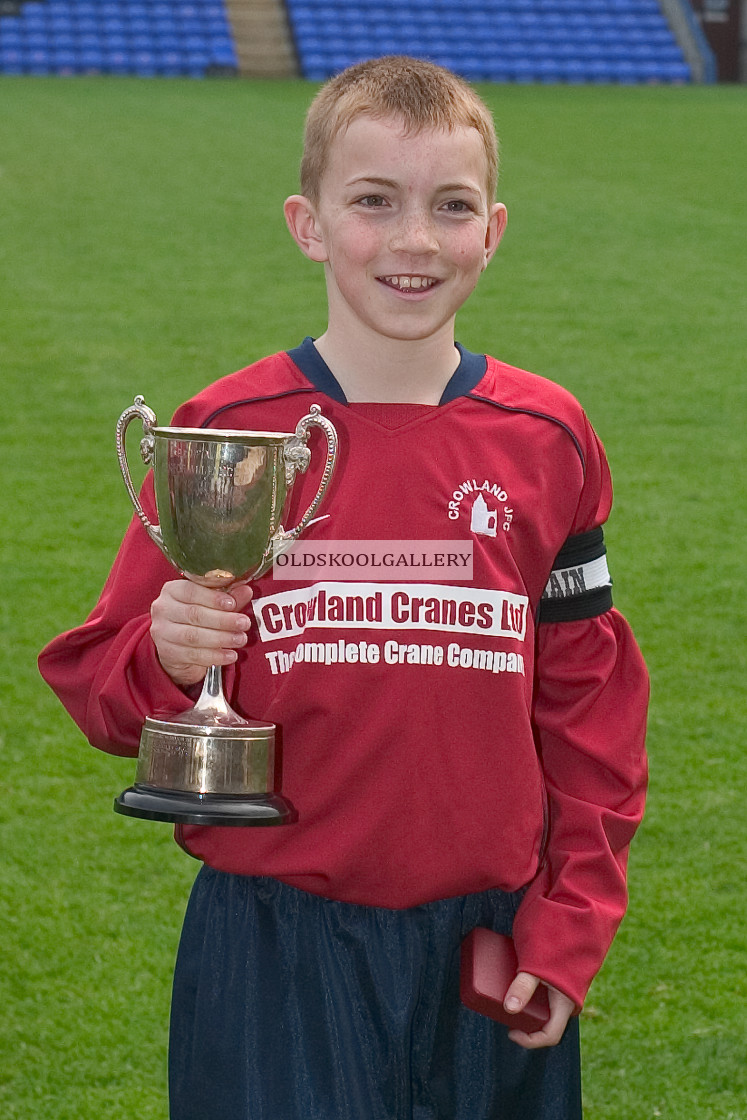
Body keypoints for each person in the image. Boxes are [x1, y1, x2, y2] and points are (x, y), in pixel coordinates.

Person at [39, 56, 648, 1120]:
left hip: (492, 936)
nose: (415, 240)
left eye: (450, 206)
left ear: (492, 229)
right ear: (308, 222)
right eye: (374, 201)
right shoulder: (229, 430)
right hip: (274, 936)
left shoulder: (549, 437)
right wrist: (166, 653)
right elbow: (99, 679)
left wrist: (569, 926)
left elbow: (592, 708)